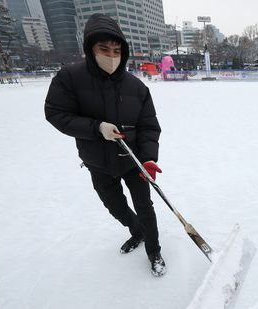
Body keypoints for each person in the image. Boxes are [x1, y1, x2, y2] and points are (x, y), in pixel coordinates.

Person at [44, 14, 166, 277]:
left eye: (117, 50)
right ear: (90, 48)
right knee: (115, 206)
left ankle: (154, 250)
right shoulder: (69, 78)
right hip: (98, 161)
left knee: (145, 207)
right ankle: (137, 232)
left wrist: (147, 159)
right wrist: (97, 128)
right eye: (104, 49)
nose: (111, 55)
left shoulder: (137, 87)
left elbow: (149, 127)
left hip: (133, 160)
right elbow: (56, 113)